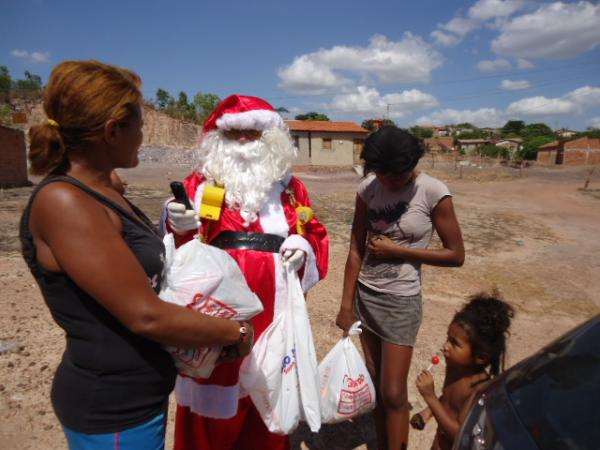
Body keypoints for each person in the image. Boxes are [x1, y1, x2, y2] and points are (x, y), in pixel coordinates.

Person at [19, 60, 255, 450]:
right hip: (113, 407)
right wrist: (237, 332)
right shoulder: (64, 203)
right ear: (113, 131)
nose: (143, 137)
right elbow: (144, 315)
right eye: (139, 126)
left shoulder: (99, 189)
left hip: (137, 398)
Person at [162, 94, 329, 450]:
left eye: (252, 133)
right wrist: (176, 223)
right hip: (216, 308)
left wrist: (304, 248)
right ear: (217, 139)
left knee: (268, 398)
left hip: (275, 311)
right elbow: (180, 246)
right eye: (233, 133)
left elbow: (315, 234)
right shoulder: (199, 184)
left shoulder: (291, 188)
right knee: (213, 401)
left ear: (271, 139)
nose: (242, 142)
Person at [335, 126, 465, 450]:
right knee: (376, 385)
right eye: (380, 174)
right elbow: (355, 248)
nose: (387, 182)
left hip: (401, 302)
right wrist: (346, 305)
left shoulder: (433, 192)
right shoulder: (368, 189)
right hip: (367, 296)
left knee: (394, 392)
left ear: (411, 166)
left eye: (394, 176)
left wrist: (401, 251)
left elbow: (456, 255)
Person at [412, 292, 514, 450]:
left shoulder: (477, 389)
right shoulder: (454, 368)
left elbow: (460, 433)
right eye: (447, 338)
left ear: (480, 357)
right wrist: (426, 414)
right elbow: (447, 400)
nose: (445, 346)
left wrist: (430, 397)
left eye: (454, 343)